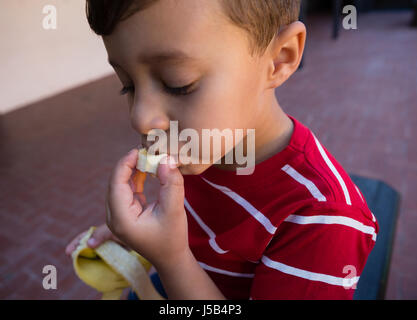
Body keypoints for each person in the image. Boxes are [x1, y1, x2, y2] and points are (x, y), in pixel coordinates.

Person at [65, 0, 378, 299]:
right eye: (128, 84)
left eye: (178, 83)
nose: (140, 118)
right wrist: (140, 238)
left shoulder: (322, 219)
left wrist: (172, 260)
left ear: (280, 57)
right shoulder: (201, 151)